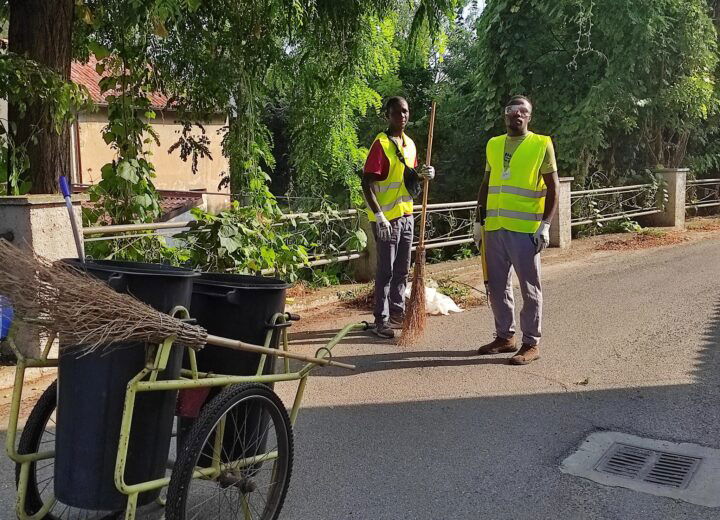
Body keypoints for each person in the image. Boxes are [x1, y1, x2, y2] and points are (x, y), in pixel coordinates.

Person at [473, 95, 559, 364]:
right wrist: (478, 220)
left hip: (525, 230)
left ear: (529, 117)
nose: (517, 115)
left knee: (529, 287)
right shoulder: (493, 144)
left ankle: (531, 343)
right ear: (505, 115)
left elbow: (553, 187)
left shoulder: (541, 144)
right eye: (512, 110)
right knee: (497, 287)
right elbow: (486, 184)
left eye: (523, 111)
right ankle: (505, 337)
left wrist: (545, 225)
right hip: (495, 227)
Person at [362, 96, 435, 339]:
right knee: (386, 271)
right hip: (387, 219)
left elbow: (410, 179)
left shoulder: (410, 145)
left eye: (405, 112)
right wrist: (379, 215)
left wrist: (424, 175)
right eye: (396, 113)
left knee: (402, 268)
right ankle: (380, 319)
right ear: (388, 115)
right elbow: (367, 183)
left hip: (406, 214)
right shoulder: (380, 145)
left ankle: (397, 311)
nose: (402, 116)